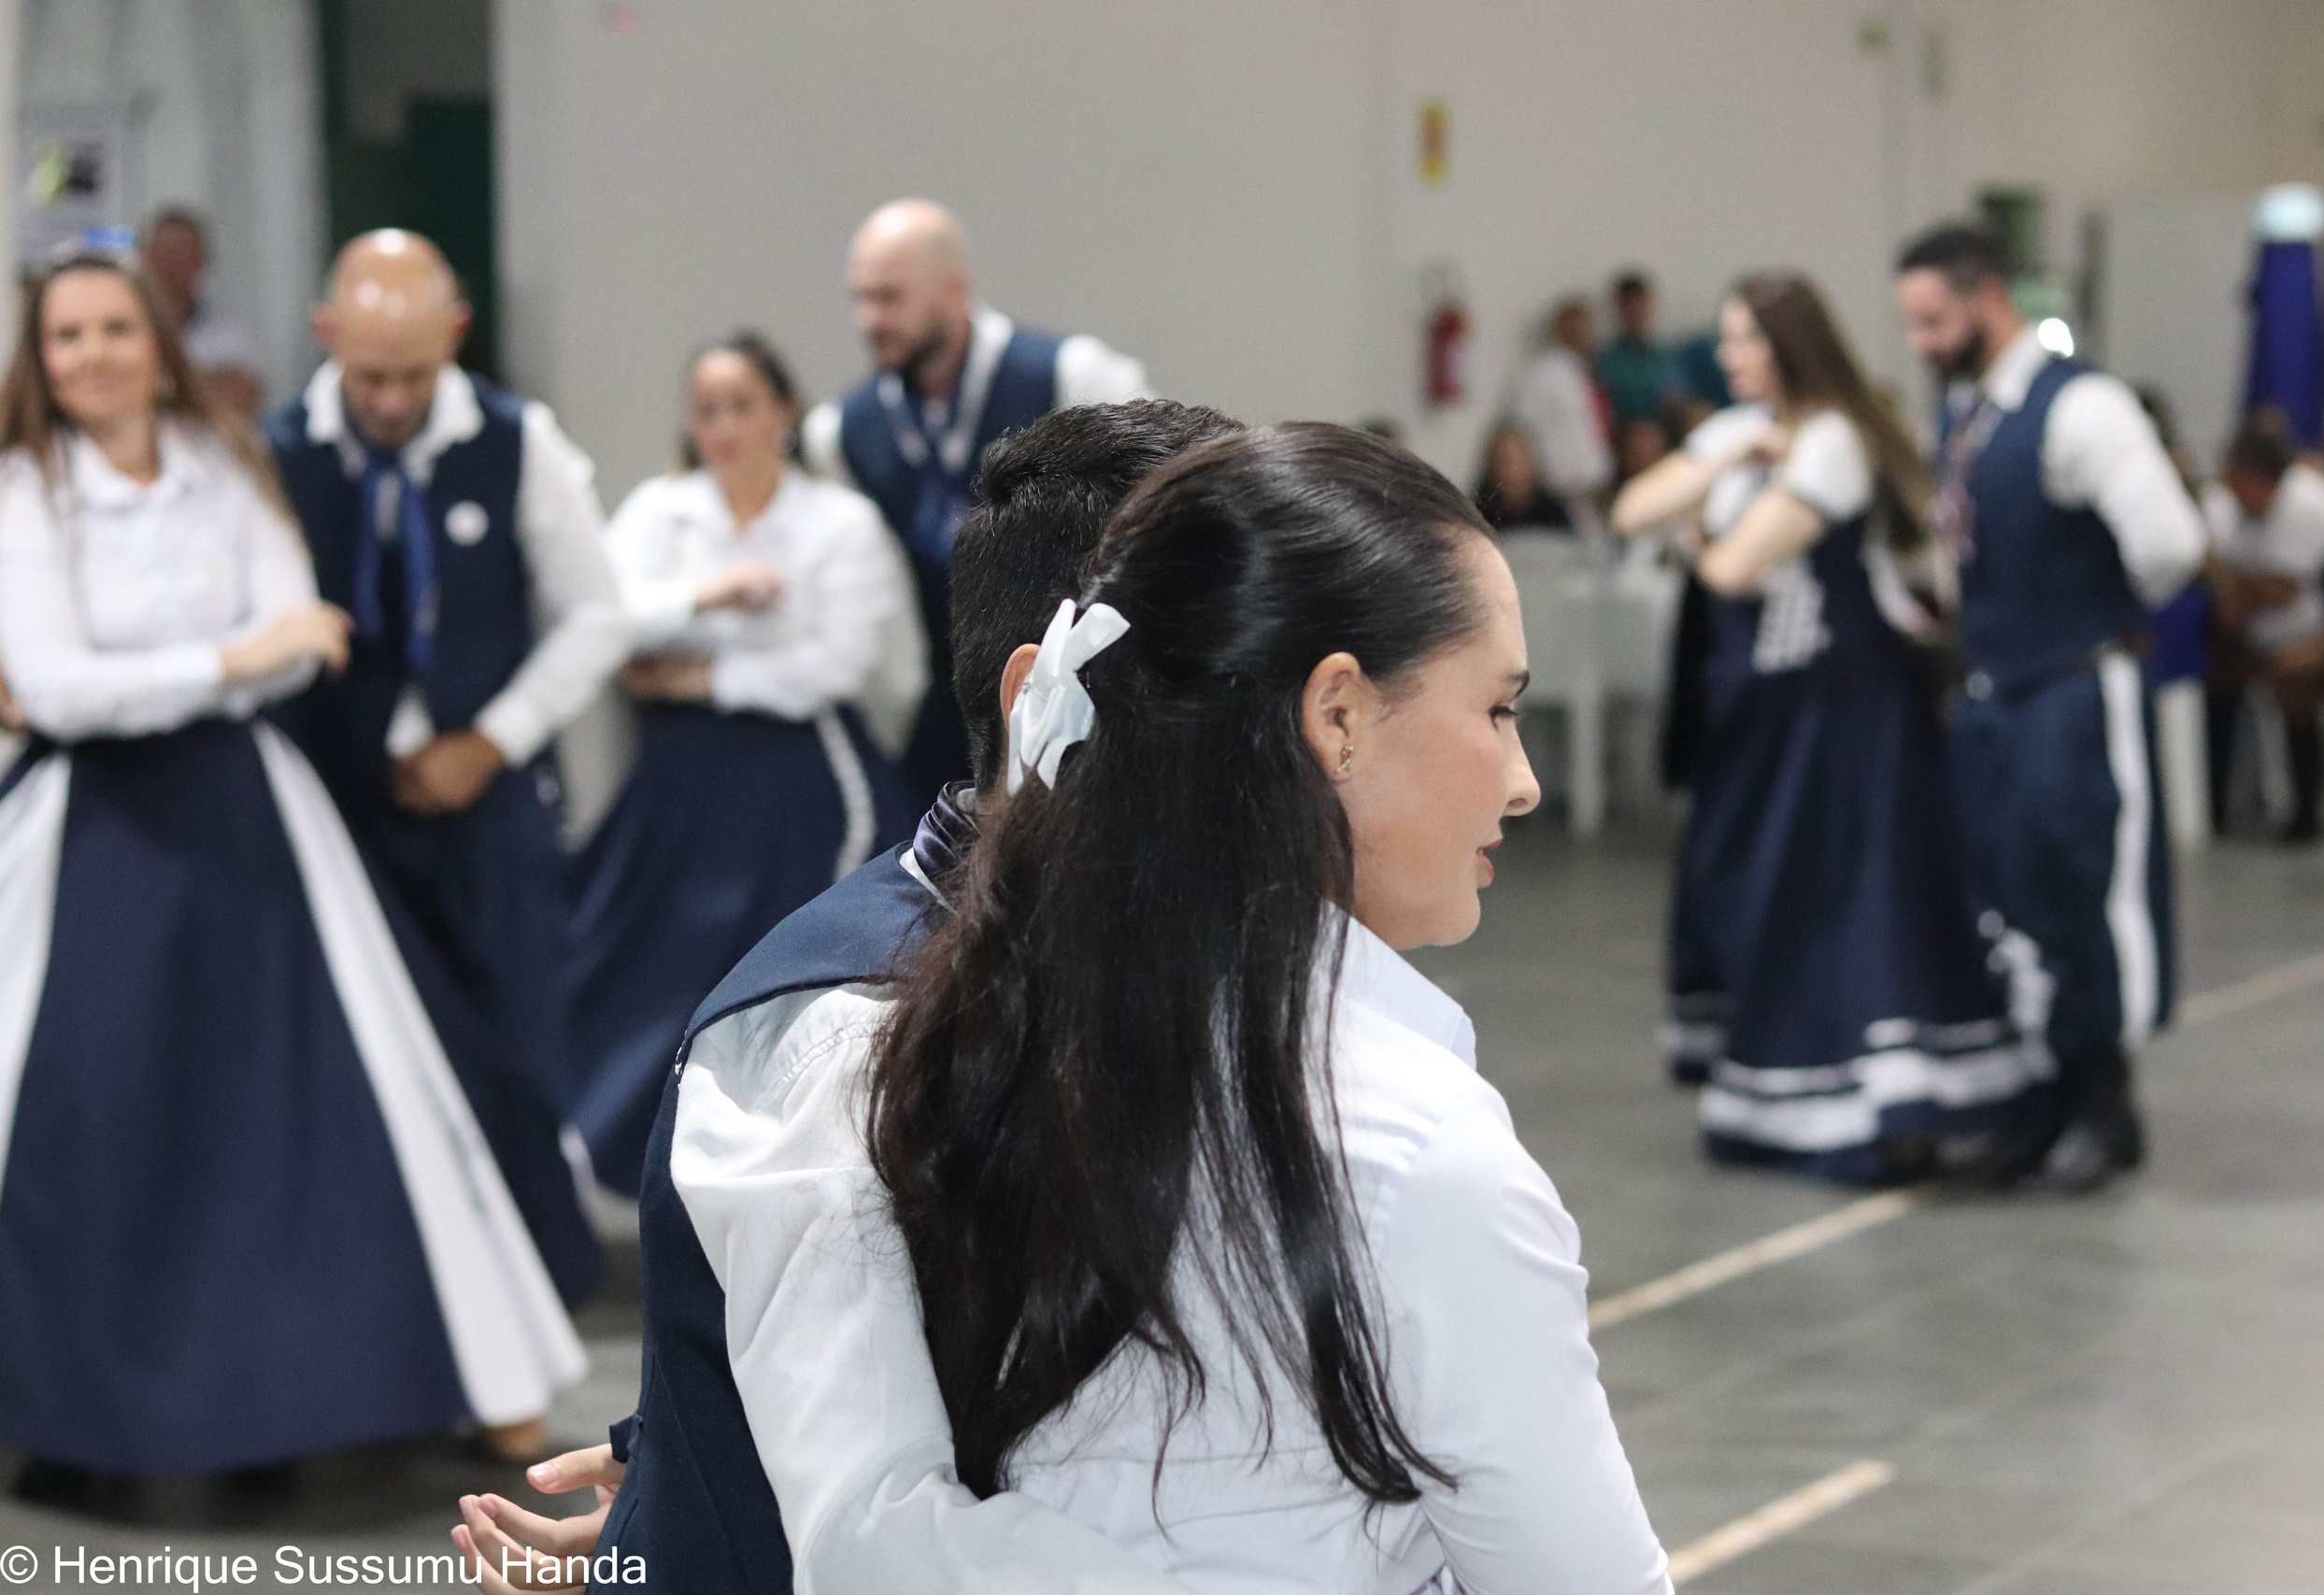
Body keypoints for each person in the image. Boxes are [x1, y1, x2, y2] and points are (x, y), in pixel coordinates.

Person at [720, 421, 1669, 1592]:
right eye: (1496, 711)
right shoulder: (1415, 1153)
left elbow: (862, 1528)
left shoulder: (924, 1043)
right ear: (1337, 716)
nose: (1521, 782)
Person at [455, 400, 1246, 1595]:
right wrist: (707, 1483)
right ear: (1050, 694)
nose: (1324, 739)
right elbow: (873, 1526)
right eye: (1254, 682)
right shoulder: (841, 1039)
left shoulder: (1212, 960)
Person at [0, 248, 585, 1492]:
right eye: (68, 336)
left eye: (116, 329)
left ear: (156, 340)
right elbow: (55, 687)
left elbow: (302, 640)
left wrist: (189, 670)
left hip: (253, 816)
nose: (95, 356)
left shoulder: (226, 462)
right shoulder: (23, 491)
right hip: (90, 833)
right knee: (86, 1116)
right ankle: (71, 1400)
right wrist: (224, 660)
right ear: (39, 360)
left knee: (330, 1107)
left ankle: (387, 1385)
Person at [1613, 273, 2038, 1182]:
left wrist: (1699, 526)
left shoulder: (1835, 439)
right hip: (1761, 709)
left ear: (1790, 346)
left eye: (1747, 340)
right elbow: (1632, 508)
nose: (1730, 356)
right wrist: (1730, 460)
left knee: (1848, 892)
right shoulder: (1743, 432)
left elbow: (1733, 569)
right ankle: (1791, 1088)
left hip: (1842, 709)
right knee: (1763, 886)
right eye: (1728, 339)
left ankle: (1881, 1102)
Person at [266, 230, 634, 1132]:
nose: (391, 401)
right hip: (335, 801)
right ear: (325, 332)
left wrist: (494, 739)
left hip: (490, 807)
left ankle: (536, 1221)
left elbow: (599, 615)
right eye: (369, 377)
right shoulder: (273, 454)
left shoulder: (519, 441)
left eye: (414, 375)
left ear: (456, 332)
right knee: (348, 1060)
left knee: (519, 1058)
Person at [564, 332, 923, 1194]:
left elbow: (839, 661)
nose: (723, 428)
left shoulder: (837, 521)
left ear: (782, 413)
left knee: (789, 965)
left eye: (741, 406)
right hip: (677, 787)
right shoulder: (663, 511)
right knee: (645, 966)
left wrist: (706, 676)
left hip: (799, 779)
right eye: (707, 410)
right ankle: (653, 1168)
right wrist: (706, 596)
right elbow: (605, 614)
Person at [1895, 221, 2205, 1191]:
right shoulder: (1967, 412)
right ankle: (2038, 1097)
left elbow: (2170, 543)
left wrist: (2091, 615)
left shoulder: (2082, 407)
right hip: (1996, 689)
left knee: (2083, 888)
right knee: (2008, 892)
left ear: (1988, 298)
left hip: (2072, 683)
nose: (1921, 342)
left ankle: (2105, 1105)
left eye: (1933, 320)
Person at [803, 199, 1150, 797]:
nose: (869, 319)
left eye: (890, 297)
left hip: (1082, 695)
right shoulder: (839, 434)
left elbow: (1151, 513)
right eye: (860, 298)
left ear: (954, 289)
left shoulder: (1071, 377)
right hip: (936, 722)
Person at [2202, 415, 2324, 841]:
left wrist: (2236, 584)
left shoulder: (2311, 505)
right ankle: (2216, 808)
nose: (2228, 490)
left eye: (2235, 480)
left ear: (2258, 478)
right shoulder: (2235, 509)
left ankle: (2307, 813)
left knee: (2293, 678)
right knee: (2218, 673)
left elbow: (2278, 590)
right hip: (2276, 633)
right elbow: (2229, 584)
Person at [143, 207, 264, 418]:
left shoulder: (229, 333)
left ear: (202, 259)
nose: (171, 263)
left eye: (182, 252)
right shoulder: (122, 327)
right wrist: (208, 382)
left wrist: (157, 382)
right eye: (164, 251)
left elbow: (240, 398)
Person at [1512, 296, 1615, 525]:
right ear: (1559, 329)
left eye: (1587, 326)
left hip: (1593, 489)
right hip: (1560, 487)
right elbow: (1522, 428)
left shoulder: (1582, 371)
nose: (1583, 333)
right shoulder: (1543, 373)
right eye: (1575, 326)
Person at [1596, 271, 1686, 436]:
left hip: (1672, 431)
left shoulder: (1668, 356)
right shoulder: (1606, 362)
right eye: (1630, 307)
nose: (1636, 313)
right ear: (1619, 310)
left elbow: (1681, 396)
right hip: (1632, 437)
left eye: (1641, 305)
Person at [1475, 418, 1574, 532]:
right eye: (1505, 461)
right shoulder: (1477, 514)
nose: (1512, 469)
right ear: (1490, 465)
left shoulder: (1554, 511)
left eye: (1519, 460)